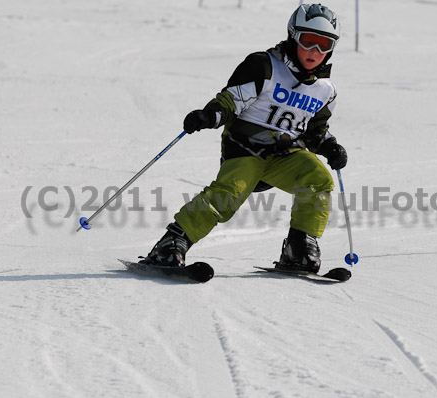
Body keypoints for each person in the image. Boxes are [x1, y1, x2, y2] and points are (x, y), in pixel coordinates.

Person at [140, 3, 347, 273]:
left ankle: (299, 248)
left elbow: (314, 130)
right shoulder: (264, 66)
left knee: (319, 178)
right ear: (293, 36)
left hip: (285, 155)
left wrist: (330, 146)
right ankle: (172, 242)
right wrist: (209, 116)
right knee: (228, 195)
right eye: (309, 41)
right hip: (245, 149)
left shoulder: (325, 91)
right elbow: (231, 100)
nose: (315, 52)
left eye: (324, 45)